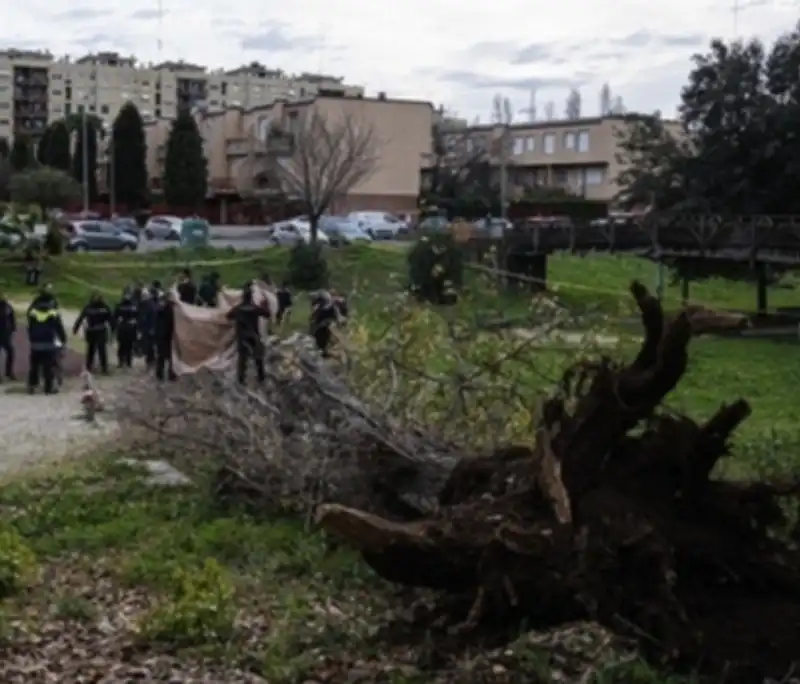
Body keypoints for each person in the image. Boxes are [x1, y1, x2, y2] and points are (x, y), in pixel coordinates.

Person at [226, 283, 270, 384]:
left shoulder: (238, 309)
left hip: (242, 337)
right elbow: (267, 314)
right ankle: (261, 377)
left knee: (242, 359)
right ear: (251, 297)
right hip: (254, 335)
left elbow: (228, 316)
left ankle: (241, 380)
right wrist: (264, 305)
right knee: (258, 358)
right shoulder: (255, 308)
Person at [26, 292, 67, 394]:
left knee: (34, 366)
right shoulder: (53, 313)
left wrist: (32, 339)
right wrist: (63, 340)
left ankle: (32, 386)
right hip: (48, 343)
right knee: (48, 366)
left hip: (35, 344)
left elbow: (29, 328)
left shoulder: (33, 313)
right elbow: (59, 328)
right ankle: (48, 388)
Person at [73, 292, 114, 374]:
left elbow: (111, 319)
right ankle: (90, 367)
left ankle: (103, 368)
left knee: (101, 349)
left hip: (100, 330)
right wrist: (76, 328)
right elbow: (81, 318)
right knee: (91, 349)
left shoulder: (104, 307)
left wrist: (113, 329)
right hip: (92, 330)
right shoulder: (90, 307)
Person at [309, 290, 341, 358]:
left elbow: (316, 313)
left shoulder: (323, 300)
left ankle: (322, 351)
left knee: (321, 336)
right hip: (323, 322)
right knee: (322, 336)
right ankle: (322, 351)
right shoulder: (325, 300)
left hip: (323, 322)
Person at [154, 291, 177, 381]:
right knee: (171, 355)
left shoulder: (159, 308)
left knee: (161, 355)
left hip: (161, 334)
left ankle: (160, 374)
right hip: (169, 334)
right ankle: (171, 374)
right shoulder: (172, 308)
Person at [113, 289, 139, 369]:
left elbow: (138, 316)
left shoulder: (134, 305)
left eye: (128, 294)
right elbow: (114, 316)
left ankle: (129, 362)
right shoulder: (119, 305)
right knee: (121, 346)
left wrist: (135, 321)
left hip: (131, 328)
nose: (127, 296)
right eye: (126, 294)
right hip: (122, 327)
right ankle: (121, 361)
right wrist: (117, 322)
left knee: (130, 346)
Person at [138, 289, 157, 369]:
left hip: (149, 327)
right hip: (144, 327)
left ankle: (151, 360)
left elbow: (153, 317)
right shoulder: (142, 304)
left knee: (149, 345)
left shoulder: (150, 305)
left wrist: (152, 328)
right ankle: (149, 360)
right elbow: (140, 316)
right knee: (146, 345)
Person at [0, 292, 16, 381]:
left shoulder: (8, 307)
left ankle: (9, 372)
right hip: (4, 333)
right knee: (10, 352)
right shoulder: (7, 308)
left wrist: (13, 329)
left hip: (6, 334)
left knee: (11, 352)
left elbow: (12, 318)